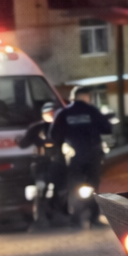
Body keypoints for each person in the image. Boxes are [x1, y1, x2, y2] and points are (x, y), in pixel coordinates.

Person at [49, 87, 112, 227]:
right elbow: (106, 128)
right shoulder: (93, 111)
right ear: (85, 97)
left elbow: (54, 135)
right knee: (93, 186)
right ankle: (93, 218)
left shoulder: (64, 113)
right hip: (93, 155)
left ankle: (76, 219)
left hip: (73, 157)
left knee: (74, 186)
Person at [20, 101, 65, 223]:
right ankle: (40, 216)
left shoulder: (64, 126)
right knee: (41, 189)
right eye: (49, 113)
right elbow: (24, 144)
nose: (52, 115)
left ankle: (60, 214)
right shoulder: (36, 128)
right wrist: (20, 140)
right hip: (41, 163)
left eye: (54, 113)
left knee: (61, 190)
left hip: (60, 164)